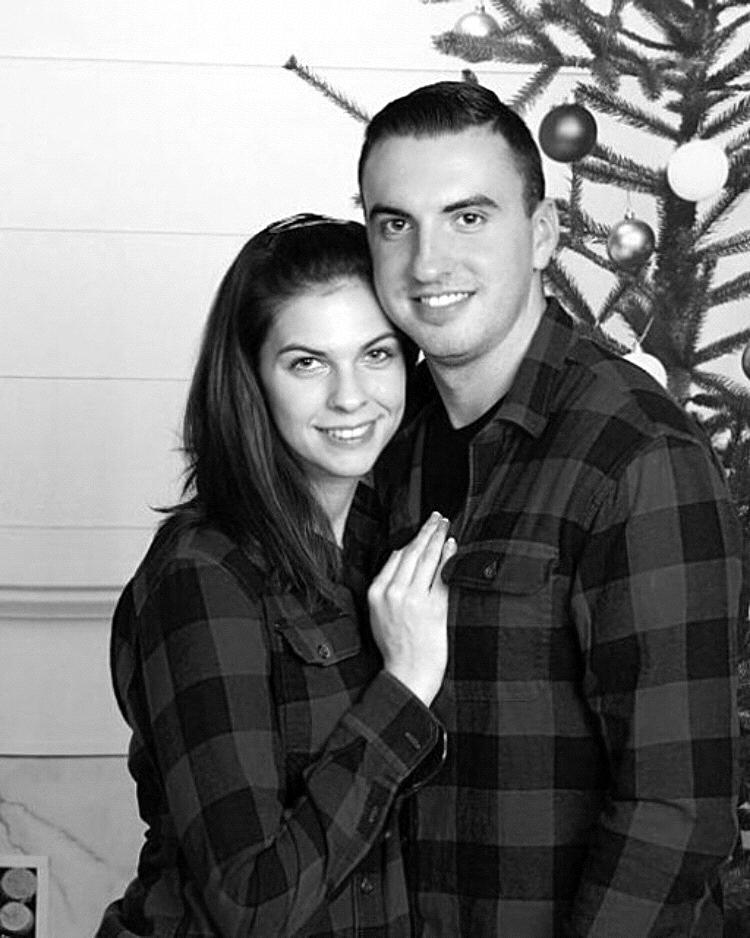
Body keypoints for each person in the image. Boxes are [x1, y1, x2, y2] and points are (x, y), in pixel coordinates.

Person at [358, 81, 744, 936]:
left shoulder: (637, 453)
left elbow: (674, 817)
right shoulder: (380, 442)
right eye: (395, 224)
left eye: (468, 217)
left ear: (541, 234)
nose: (427, 264)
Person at [95, 213, 456, 937]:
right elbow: (253, 905)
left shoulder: (380, 543)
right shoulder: (203, 574)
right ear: (252, 380)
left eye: (377, 354)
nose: (351, 396)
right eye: (307, 363)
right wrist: (406, 684)